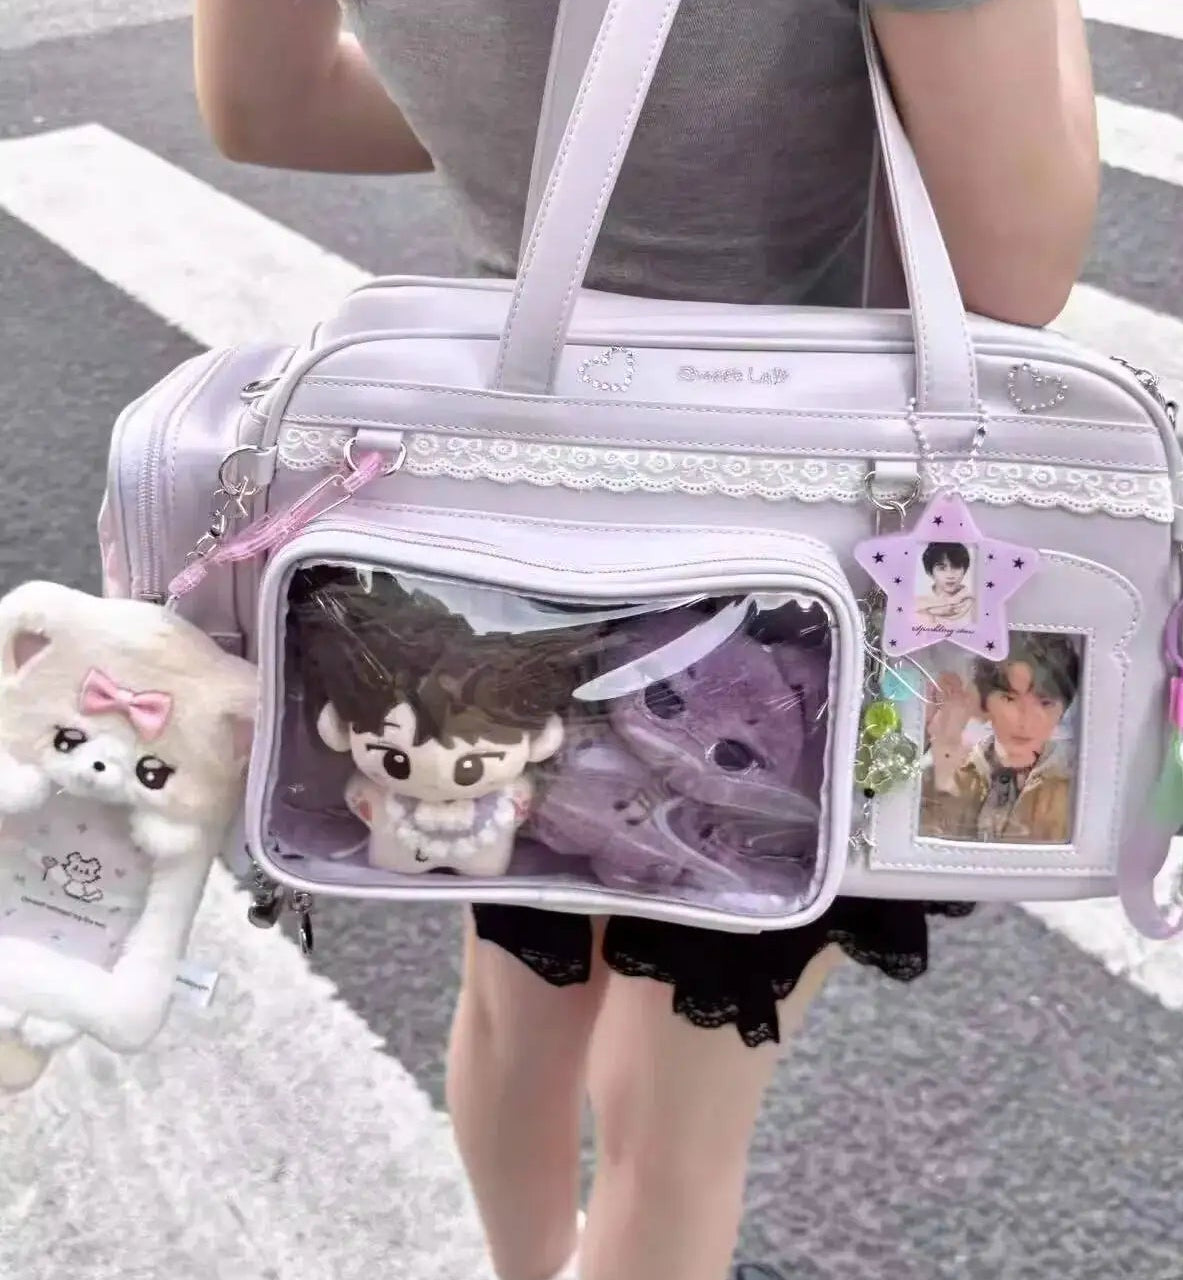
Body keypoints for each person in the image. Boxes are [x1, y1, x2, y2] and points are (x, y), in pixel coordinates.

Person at [193, 2, 1100, 1277]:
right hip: (796, 556)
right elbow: (1016, 261)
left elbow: (269, 108)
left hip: (516, 533)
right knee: (672, 1108)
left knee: (516, 1001)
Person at [920, 633, 1082, 844]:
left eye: (1045, 703)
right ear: (985, 701)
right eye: (1010, 699)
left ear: (1063, 709)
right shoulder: (946, 771)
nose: (1025, 722)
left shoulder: (1079, 786)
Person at [914, 542, 976, 630]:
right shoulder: (918, 603)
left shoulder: (974, 605)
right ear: (930, 572)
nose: (950, 575)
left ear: (964, 570)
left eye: (956, 567)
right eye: (941, 568)